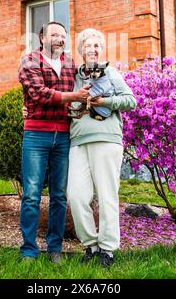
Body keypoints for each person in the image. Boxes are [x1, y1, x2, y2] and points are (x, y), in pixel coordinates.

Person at [18, 21, 90, 263]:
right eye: (54, 34)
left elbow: (89, 84)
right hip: (37, 135)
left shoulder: (71, 63)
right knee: (31, 194)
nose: (60, 38)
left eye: (63, 35)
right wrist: (72, 97)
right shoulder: (30, 61)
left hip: (64, 136)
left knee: (59, 195)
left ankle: (55, 248)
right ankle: (28, 249)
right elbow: (39, 94)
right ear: (42, 37)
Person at [67, 28, 137, 267]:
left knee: (107, 196)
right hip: (77, 142)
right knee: (76, 195)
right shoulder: (73, 77)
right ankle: (90, 244)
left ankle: (107, 250)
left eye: (97, 46)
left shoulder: (111, 73)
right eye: (88, 46)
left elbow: (131, 101)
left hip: (107, 140)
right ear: (81, 50)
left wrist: (105, 101)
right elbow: (59, 99)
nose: (93, 50)